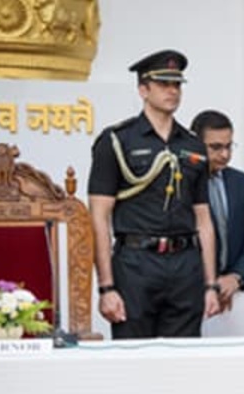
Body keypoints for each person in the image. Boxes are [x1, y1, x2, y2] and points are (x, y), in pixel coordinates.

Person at [87, 49, 220, 338]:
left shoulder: (194, 145)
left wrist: (211, 284)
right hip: (136, 263)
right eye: (163, 84)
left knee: (183, 362)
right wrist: (106, 287)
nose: (172, 91)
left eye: (177, 85)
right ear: (143, 90)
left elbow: (204, 219)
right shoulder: (117, 141)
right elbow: (98, 217)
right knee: (133, 360)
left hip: (185, 264)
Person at [189, 110, 244, 312]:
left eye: (229, 146)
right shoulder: (181, 184)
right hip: (190, 294)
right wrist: (209, 283)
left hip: (236, 296)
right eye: (216, 147)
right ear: (196, 145)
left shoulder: (241, 182)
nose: (225, 154)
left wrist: (237, 276)